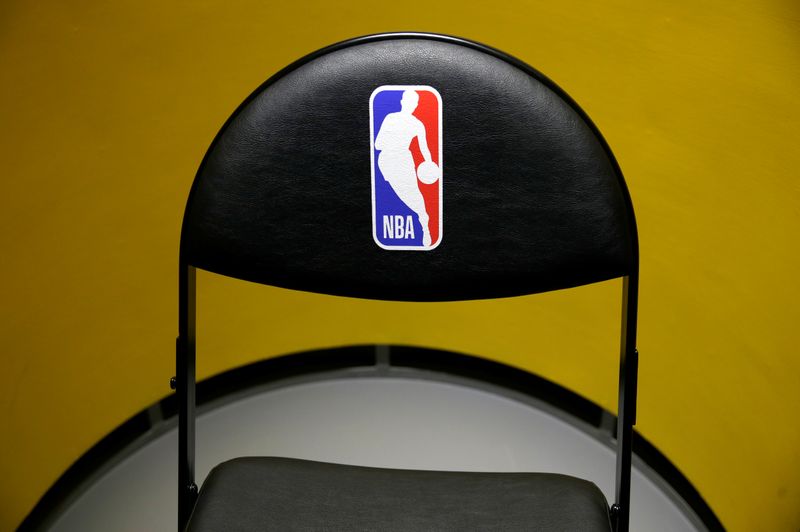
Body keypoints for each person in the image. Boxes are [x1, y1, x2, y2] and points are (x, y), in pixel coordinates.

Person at [375, 90, 436, 247]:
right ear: (402, 102)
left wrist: (429, 164)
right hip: (387, 161)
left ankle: (424, 223)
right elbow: (377, 144)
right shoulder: (390, 118)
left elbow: (424, 149)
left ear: (416, 105)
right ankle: (423, 216)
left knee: (413, 193)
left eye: (414, 102)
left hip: (403, 160)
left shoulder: (417, 124)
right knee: (401, 194)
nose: (411, 105)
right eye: (409, 101)